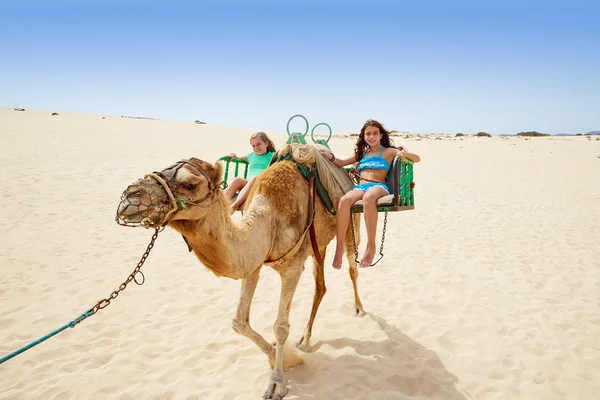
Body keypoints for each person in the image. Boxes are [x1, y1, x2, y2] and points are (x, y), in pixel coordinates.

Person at [322, 119, 420, 269]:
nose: (371, 137)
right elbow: (342, 163)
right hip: (361, 187)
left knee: (369, 198)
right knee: (344, 201)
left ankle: (371, 246)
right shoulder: (363, 153)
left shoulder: (388, 151)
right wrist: (331, 157)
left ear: (381, 135)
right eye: (368, 134)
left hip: (379, 187)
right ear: (364, 136)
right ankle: (339, 247)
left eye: (375, 133)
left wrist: (403, 154)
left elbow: (417, 159)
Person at [224, 131, 276, 214]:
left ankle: (235, 205)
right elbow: (237, 157)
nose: (256, 148)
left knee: (254, 178)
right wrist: (232, 154)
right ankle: (221, 203)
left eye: (259, 144)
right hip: (248, 185)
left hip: (261, 185)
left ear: (266, 143)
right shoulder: (251, 156)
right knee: (237, 180)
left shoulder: (273, 155)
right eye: (253, 146)